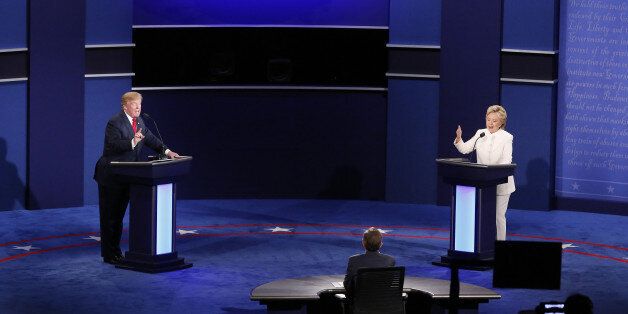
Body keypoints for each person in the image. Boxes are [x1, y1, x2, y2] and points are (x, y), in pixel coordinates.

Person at [93, 91, 179, 264]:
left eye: (140, 104)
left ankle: (116, 252)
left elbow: (151, 139)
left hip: (129, 175)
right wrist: (133, 141)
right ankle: (110, 255)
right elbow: (113, 145)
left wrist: (167, 151)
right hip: (111, 175)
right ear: (125, 106)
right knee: (111, 217)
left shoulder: (139, 121)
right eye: (134, 104)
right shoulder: (114, 122)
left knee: (119, 217)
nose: (138, 107)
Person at [454, 105, 515, 241]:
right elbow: (465, 149)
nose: (490, 123)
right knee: (484, 215)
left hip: (502, 184)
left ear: (501, 123)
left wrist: (493, 173)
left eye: (494, 120)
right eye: (488, 120)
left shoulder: (507, 137)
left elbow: (506, 160)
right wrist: (459, 139)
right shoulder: (480, 133)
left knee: (498, 216)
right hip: (484, 183)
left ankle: (500, 245)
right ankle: (483, 244)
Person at [343, 227, 396, 297]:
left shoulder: (354, 260)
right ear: (381, 244)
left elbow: (347, 285)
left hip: (359, 305)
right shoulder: (390, 260)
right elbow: (389, 285)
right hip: (384, 304)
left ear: (363, 242)